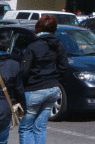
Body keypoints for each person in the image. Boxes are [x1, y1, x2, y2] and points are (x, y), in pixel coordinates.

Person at [19, 15, 69, 144]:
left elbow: (24, 71)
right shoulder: (59, 45)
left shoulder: (33, 46)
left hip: (34, 88)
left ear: (38, 28)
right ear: (54, 29)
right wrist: (54, 77)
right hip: (52, 88)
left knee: (25, 127)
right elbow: (64, 66)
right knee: (40, 127)